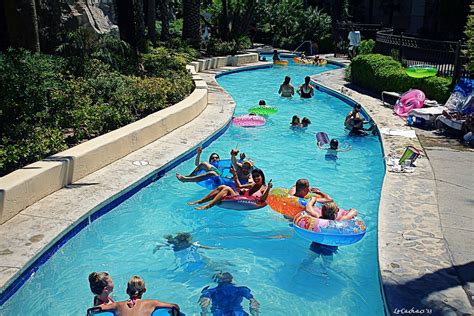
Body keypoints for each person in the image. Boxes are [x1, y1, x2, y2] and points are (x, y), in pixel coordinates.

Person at [188, 168, 272, 210]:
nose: (255, 178)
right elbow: (239, 186)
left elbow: (262, 200)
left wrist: (268, 188)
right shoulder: (252, 185)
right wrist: (235, 174)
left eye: (257, 176)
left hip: (250, 202)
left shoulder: (264, 188)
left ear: (262, 176)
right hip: (239, 197)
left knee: (227, 188)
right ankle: (200, 201)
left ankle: (208, 206)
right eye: (254, 176)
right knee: (222, 187)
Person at [98, 276, 180, 316]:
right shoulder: (151, 303)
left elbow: (98, 308)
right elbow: (175, 306)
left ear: (127, 291)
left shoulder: (117, 305)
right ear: (144, 290)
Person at [154, 233, 221, 272]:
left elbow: (162, 245)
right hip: (197, 262)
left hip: (185, 266)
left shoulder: (175, 245)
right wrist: (216, 248)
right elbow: (206, 247)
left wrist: (156, 248)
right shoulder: (192, 244)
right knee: (208, 266)